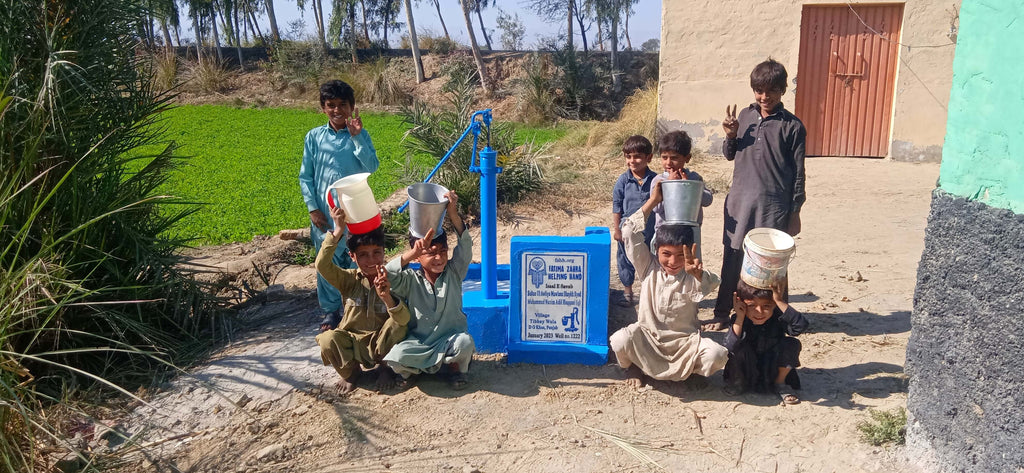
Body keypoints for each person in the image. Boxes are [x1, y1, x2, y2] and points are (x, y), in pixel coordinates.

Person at [708, 58, 807, 331]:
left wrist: (795, 211)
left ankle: (777, 318)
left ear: (783, 90)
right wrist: (730, 136)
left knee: (772, 266)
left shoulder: (793, 126)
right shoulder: (745, 118)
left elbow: (799, 173)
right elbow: (730, 155)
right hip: (740, 203)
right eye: (759, 91)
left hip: (773, 206)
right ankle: (721, 313)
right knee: (733, 258)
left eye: (772, 91)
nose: (765, 97)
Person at [609, 181, 729, 390]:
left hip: (684, 345)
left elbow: (712, 283)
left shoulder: (693, 273)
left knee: (717, 355)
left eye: (680, 255)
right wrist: (654, 200)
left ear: (690, 252)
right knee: (620, 340)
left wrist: (697, 273)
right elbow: (628, 231)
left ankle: (692, 371)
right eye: (666, 254)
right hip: (648, 340)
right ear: (656, 250)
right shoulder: (647, 267)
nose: (673, 262)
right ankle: (634, 367)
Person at [299, 80, 379, 330]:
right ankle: (331, 311)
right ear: (323, 108)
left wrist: (356, 138)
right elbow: (306, 176)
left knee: (361, 258)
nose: (337, 110)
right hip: (326, 214)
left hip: (357, 212)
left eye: (342, 105)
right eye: (330, 105)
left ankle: (362, 305)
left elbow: (371, 167)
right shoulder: (314, 137)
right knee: (327, 260)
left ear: (352, 107)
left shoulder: (360, 134)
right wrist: (313, 207)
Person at [383, 192, 475, 390]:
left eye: (442, 252)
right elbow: (388, 275)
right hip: (421, 344)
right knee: (396, 358)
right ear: (418, 258)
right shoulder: (409, 280)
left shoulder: (454, 271)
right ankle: (416, 372)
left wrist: (452, 213)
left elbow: (465, 246)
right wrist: (412, 253)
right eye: (431, 253)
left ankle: (454, 370)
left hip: (451, 340)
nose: (439, 258)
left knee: (465, 343)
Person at [314, 205, 410, 393]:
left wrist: (387, 297)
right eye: (363, 255)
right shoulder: (348, 279)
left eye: (377, 253)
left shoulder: (393, 279)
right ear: (352, 256)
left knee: (398, 322)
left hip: (381, 343)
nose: (371, 260)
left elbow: (403, 320)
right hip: (352, 343)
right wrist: (338, 230)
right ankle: (351, 373)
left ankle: (385, 368)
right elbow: (322, 265)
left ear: (384, 252)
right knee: (327, 339)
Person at [723, 279, 809, 405]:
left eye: (766, 306)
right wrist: (740, 317)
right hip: (746, 370)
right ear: (741, 303)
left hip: (772, 367)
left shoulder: (778, 317)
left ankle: (780, 384)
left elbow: (800, 326)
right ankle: (737, 384)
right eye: (751, 305)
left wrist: (779, 300)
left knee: (792, 343)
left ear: (774, 305)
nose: (759, 311)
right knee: (738, 348)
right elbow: (729, 346)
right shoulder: (739, 319)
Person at [612, 135, 659, 307]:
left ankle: (649, 294)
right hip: (626, 229)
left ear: (649, 157)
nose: (632, 161)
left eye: (637, 156)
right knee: (625, 259)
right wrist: (617, 230)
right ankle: (628, 292)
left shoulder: (656, 180)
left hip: (650, 229)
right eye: (628, 156)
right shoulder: (623, 180)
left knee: (650, 260)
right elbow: (617, 206)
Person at [649, 131, 714, 255]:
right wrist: (668, 186)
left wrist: (689, 187)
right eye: (664, 157)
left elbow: (708, 200)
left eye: (674, 158)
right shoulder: (658, 181)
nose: (668, 162)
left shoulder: (694, 178)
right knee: (667, 266)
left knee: (690, 264)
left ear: (687, 158)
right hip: (666, 233)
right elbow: (656, 208)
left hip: (690, 233)